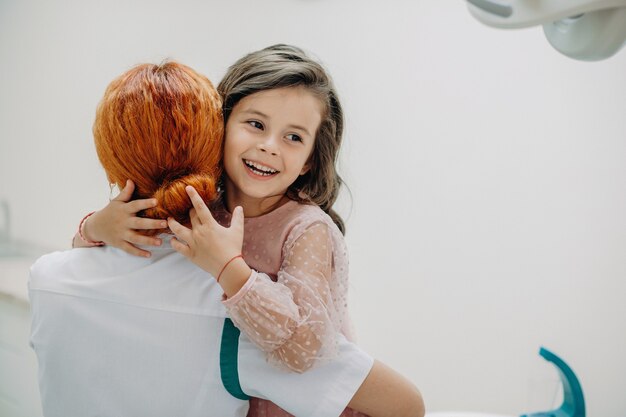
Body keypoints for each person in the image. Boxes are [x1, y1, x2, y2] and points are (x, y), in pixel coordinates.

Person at [33, 59, 425, 417]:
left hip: (311, 398)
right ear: (220, 128)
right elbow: (114, 251)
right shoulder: (205, 210)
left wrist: (229, 269)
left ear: (309, 160)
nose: (269, 146)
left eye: (294, 137)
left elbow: (307, 349)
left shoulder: (307, 228)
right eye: (255, 124)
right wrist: (94, 227)